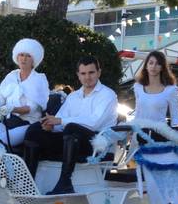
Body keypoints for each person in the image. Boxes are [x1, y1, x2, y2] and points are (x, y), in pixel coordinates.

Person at [23, 55, 119, 195]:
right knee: (35, 130)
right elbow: (60, 120)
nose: (87, 77)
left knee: (72, 128)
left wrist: (60, 121)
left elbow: (93, 123)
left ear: (99, 72)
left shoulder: (108, 95)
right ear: (78, 75)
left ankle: (65, 182)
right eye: (83, 73)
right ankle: (27, 184)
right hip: (71, 140)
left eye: (91, 72)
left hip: (97, 144)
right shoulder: (73, 96)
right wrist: (51, 125)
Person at [0, 38, 49, 149]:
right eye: (21, 55)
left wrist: (12, 109)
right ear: (17, 57)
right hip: (8, 123)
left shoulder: (39, 79)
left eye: (28, 56)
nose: (24, 59)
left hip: (27, 125)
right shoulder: (11, 76)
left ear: (33, 60)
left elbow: (32, 108)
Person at [132, 50, 178, 127]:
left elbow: (175, 118)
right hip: (138, 134)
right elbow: (137, 112)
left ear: (162, 67)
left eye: (158, 64)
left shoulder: (171, 89)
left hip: (159, 134)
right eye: (151, 63)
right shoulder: (138, 87)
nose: (153, 66)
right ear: (146, 66)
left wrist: (174, 136)